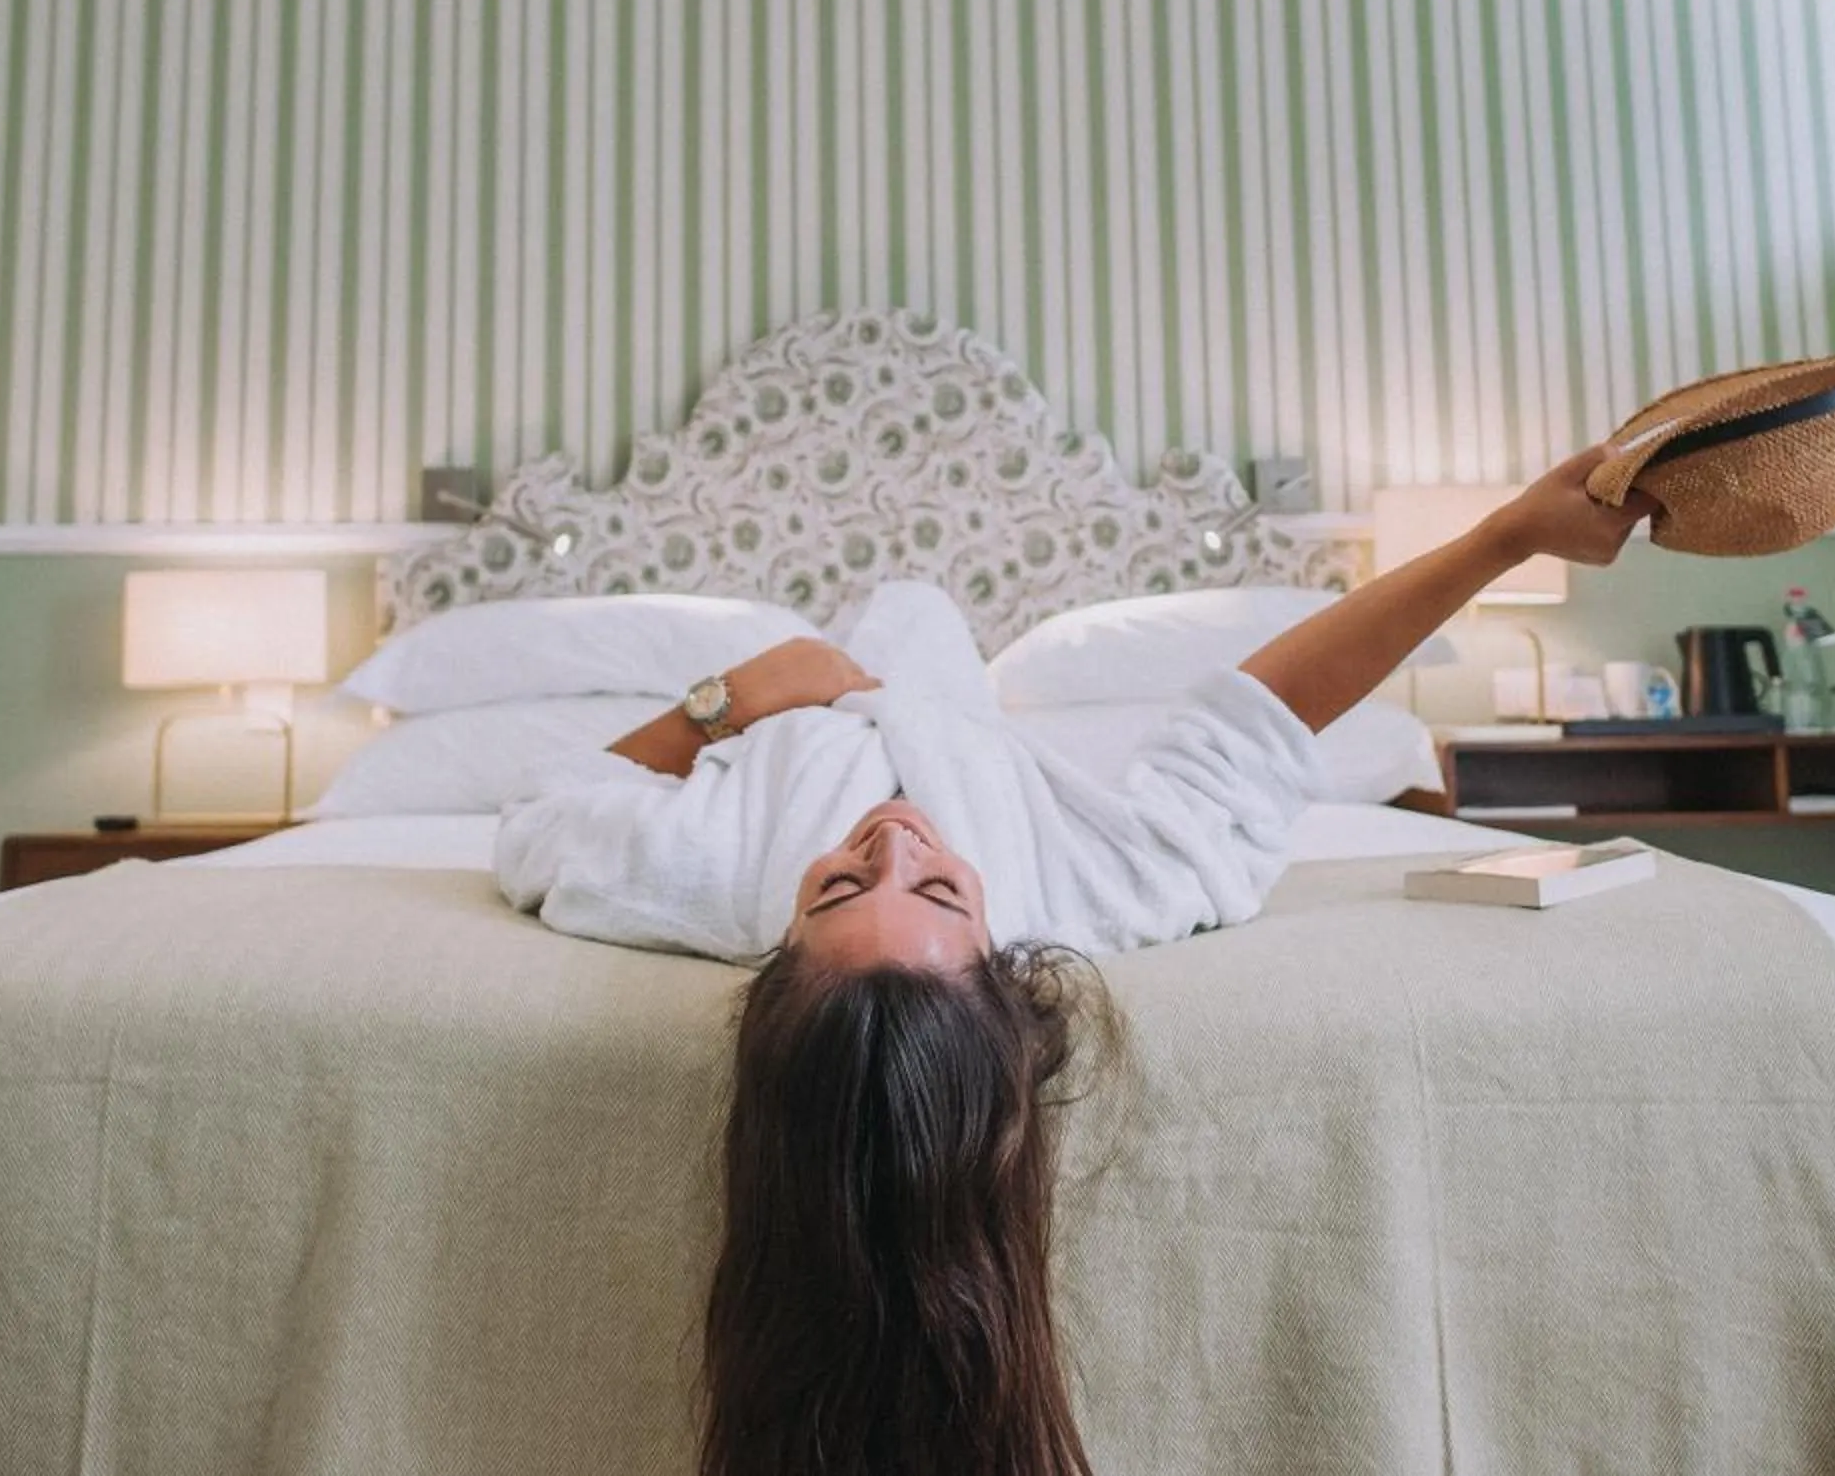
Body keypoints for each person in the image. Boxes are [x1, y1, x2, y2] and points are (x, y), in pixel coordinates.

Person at [493, 449, 1649, 1476]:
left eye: (839, 885)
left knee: (901, 612)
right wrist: (1508, 537)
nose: (895, 843)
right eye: (939, 887)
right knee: (920, 617)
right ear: (1005, 960)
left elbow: (544, 809)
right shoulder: (1100, 881)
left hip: (797, 693)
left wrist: (732, 697)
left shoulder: (699, 871)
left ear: (779, 950)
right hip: (955, 709)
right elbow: (1260, 715)